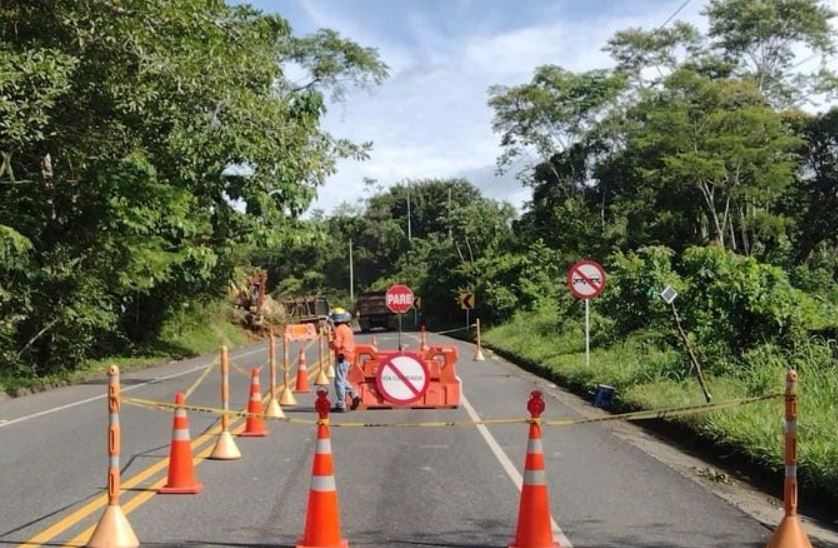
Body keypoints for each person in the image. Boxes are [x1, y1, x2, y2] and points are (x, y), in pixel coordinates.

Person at [329, 307, 362, 412]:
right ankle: (354, 395)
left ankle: (341, 404)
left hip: (342, 356)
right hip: (349, 356)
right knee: (342, 379)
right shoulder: (348, 328)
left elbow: (337, 344)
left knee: (338, 381)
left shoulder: (338, 330)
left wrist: (330, 343)